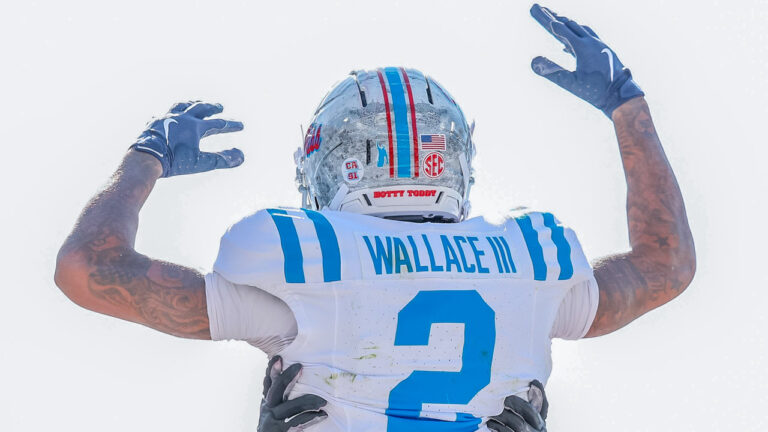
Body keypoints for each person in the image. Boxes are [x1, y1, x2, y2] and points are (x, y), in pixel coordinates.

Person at [54, 4, 695, 431]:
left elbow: (88, 270)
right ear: (455, 157)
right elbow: (665, 264)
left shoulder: (303, 259)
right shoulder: (531, 260)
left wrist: (146, 158)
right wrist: (627, 107)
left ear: (327, 159)